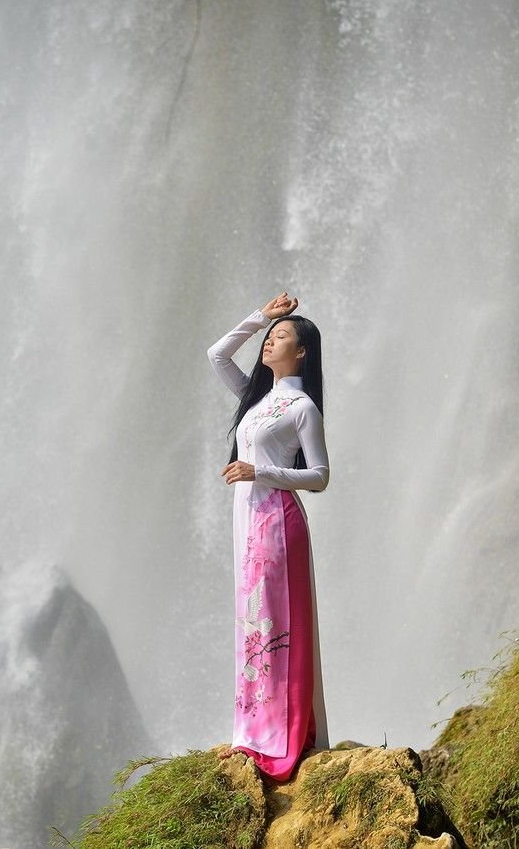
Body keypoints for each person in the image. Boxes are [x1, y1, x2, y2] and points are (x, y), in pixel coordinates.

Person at [208, 292, 329, 782]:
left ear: (301, 353)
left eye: (281, 337)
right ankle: (251, 733)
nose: (269, 342)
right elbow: (217, 354)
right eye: (270, 336)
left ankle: (280, 737)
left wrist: (261, 470)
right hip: (249, 524)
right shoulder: (257, 401)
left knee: (275, 626)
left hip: (278, 523)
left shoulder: (301, 407)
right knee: (252, 623)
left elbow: (319, 475)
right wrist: (263, 315)